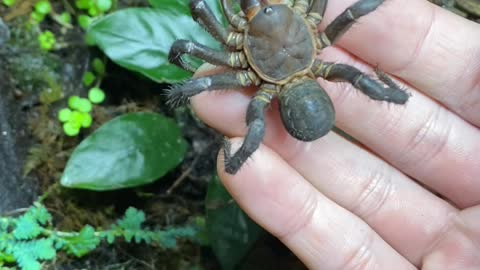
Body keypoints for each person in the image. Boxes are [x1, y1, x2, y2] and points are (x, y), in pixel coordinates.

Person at [191, 0, 480, 269]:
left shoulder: (245, 65)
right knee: (356, 55)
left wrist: (233, 159)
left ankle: (234, 161)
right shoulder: (312, 24)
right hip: (306, 89)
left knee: (233, 105)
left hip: (282, 95)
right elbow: (355, 11)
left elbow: (185, 47)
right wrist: (391, 90)